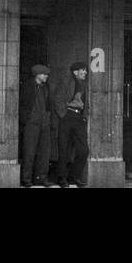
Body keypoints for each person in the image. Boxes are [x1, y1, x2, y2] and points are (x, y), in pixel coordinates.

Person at [54, 59, 90, 187]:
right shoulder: (66, 82)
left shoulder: (84, 84)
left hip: (78, 118)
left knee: (83, 150)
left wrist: (84, 116)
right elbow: (57, 99)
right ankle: (62, 178)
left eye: (86, 70)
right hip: (67, 116)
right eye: (83, 70)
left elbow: (85, 103)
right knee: (64, 149)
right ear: (75, 72)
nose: (85, 72)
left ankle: (73, 176)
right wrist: (63, 115)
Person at [20, 64, 56, 187]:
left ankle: (41, 177)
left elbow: (48, 105)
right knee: (29, 152)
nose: (46, 76)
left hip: (44, 123)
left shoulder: (46, 87)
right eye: (44, 74)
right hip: (32, 124)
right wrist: (27, 120)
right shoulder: (27, 87)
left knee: (44, 153)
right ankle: (26, 178)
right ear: (37, 75)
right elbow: (23, 104)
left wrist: (48, 119)